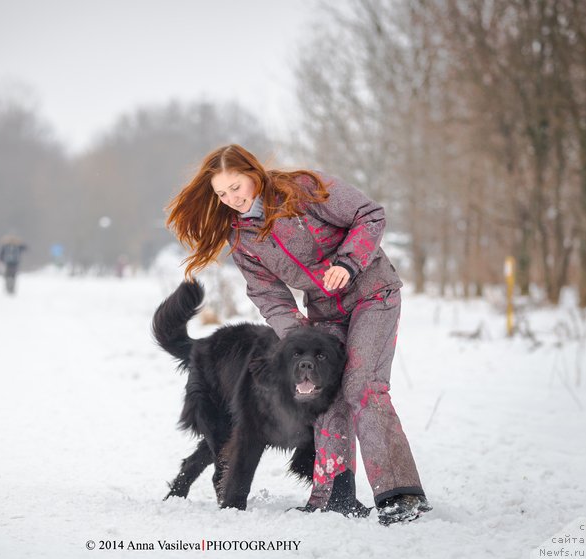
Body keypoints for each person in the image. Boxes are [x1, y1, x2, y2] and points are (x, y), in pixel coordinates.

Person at [166, 144, 431, 525]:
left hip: (373, 292)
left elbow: (369, 214)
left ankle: (401, 495)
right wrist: (295, 337)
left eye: (235, 187)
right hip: (324, 311)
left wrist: (348, 262)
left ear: (253, 173)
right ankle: (334, 495)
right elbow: (266, 292)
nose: (232, 199)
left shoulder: (303, 189)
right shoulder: (241, 235)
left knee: (362, 386)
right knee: (322, 392)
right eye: (222, 194)